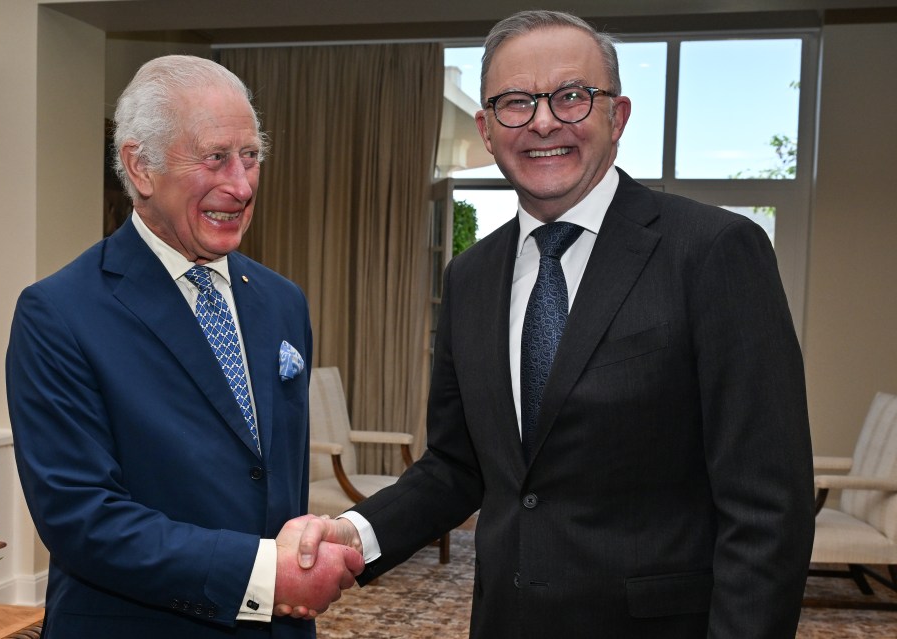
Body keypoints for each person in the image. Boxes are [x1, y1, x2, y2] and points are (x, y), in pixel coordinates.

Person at [293, 10, 815, 638]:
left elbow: (767, 509)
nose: (543, 122)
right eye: (516, 102)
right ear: (487, 130)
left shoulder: (713, 252)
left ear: (616, 116)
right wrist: (352, 533)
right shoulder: (470, 277)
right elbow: (457, 466)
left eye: (572, 97)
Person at [6, 55, 362, 638]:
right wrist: (264, 574)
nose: (242, 185)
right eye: (215, 157)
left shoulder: (282, 301)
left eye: (250, 157)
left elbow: (272, 478)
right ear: (140, 167)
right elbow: (83, 518)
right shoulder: (59, 313)